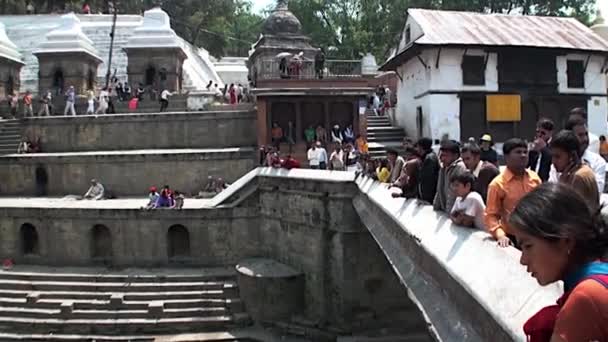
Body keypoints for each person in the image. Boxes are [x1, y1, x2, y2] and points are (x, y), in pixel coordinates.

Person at [507, 183, 608, 342]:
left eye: (528, 246)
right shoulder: (599, 276)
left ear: (565, 240)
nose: (523, 260)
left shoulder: (586, 297)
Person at [484, 138, 541, 248]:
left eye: (525, 152)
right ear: (506, 157)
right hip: (513, 239)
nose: (523, 155)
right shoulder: (497, 184)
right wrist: (500, 235)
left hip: (536, 235)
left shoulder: (535, 178)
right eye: (518, 152)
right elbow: (491, 216)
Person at [550, 116, 606, 193]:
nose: (585, 139)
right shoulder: (557, 165)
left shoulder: (596, 163)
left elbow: (596, 192)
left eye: (586, 134)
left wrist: (563, 186)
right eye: (580, 135)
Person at [550, 130, 599, 210]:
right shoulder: (581, 171)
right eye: (552, 156)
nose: (553, 161)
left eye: (557, 157)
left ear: (572, 156)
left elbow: (570, 212)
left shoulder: (578, 177)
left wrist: (561, 187)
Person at [433, 140, 467, 213]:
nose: (442, 159)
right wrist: (436, 207)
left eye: (445, 155)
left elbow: (454, 194)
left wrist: (450, 213)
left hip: (453, 213)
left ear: (455, 156)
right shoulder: (443, 167)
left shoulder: (460, 168)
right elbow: (439, 190)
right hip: (443, 211)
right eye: (441, 155)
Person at [416, 137, 440, 203]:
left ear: (421, 147)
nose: (417, 149)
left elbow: (427, 180)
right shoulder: (425, 158)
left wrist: (426, 197)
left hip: (428, 197)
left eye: (417, 147)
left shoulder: (429, 159)